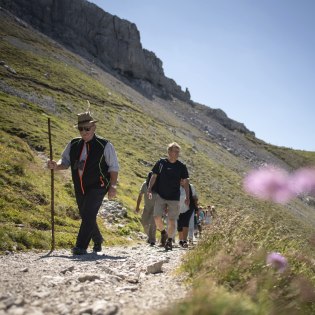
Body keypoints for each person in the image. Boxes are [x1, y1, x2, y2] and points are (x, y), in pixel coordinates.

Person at [47, 110, 119, 255]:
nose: (84, 131)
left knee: (89, 213)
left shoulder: (105, 145)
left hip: (99, 185)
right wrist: (56, 166)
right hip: (80, 186)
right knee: (86, 215)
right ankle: (97, 239)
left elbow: (114, 167)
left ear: (94, 128)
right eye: (81, 129)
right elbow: (65, 162)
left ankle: (80, 246)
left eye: (87, 128)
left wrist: (112, 186)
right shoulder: (73, 144)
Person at [147, 142, 189, 251]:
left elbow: (185, 183)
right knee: (156, 217)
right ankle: (163, 233)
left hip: (174, 197)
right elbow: (154, 176)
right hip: (161, 195)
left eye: (177, 151)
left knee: (171, 220)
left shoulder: (181, 166)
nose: (176, 153)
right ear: (169, 152)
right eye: (174, 151)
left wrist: (188, 197)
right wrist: (149, 188)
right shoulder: (161, 163)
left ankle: (169, 240)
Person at [135, 172, 157, 245]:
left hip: (156, 207)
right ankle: (149, 236)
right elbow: (140, 195)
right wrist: (137, 206)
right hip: (147, 207)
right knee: (144, 221)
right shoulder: (145, 184)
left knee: (153, 223)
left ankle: (152, 240)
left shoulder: (159, 186)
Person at [177, 180, 198, 248]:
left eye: (183, 180)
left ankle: (184, 241)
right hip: (178, 208)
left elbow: (195, 197)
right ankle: (180, 240)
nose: (181, 181)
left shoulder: (190, 187)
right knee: (179, 224)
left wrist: (196, 208)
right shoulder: (176, 187)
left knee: (185, 222)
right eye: (180, 180)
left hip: (189, 208)